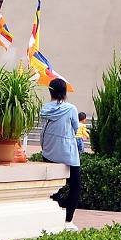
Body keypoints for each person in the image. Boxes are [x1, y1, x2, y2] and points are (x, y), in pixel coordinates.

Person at [40, 77, 81, 222]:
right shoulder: (70, 109)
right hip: (67, 154)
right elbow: (76, 128)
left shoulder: (44, 109)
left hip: (48, 150)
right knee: (75, 186)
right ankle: (68, 219)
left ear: (50, 92)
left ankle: (55, 214)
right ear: (65, 93)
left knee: (52, 186)